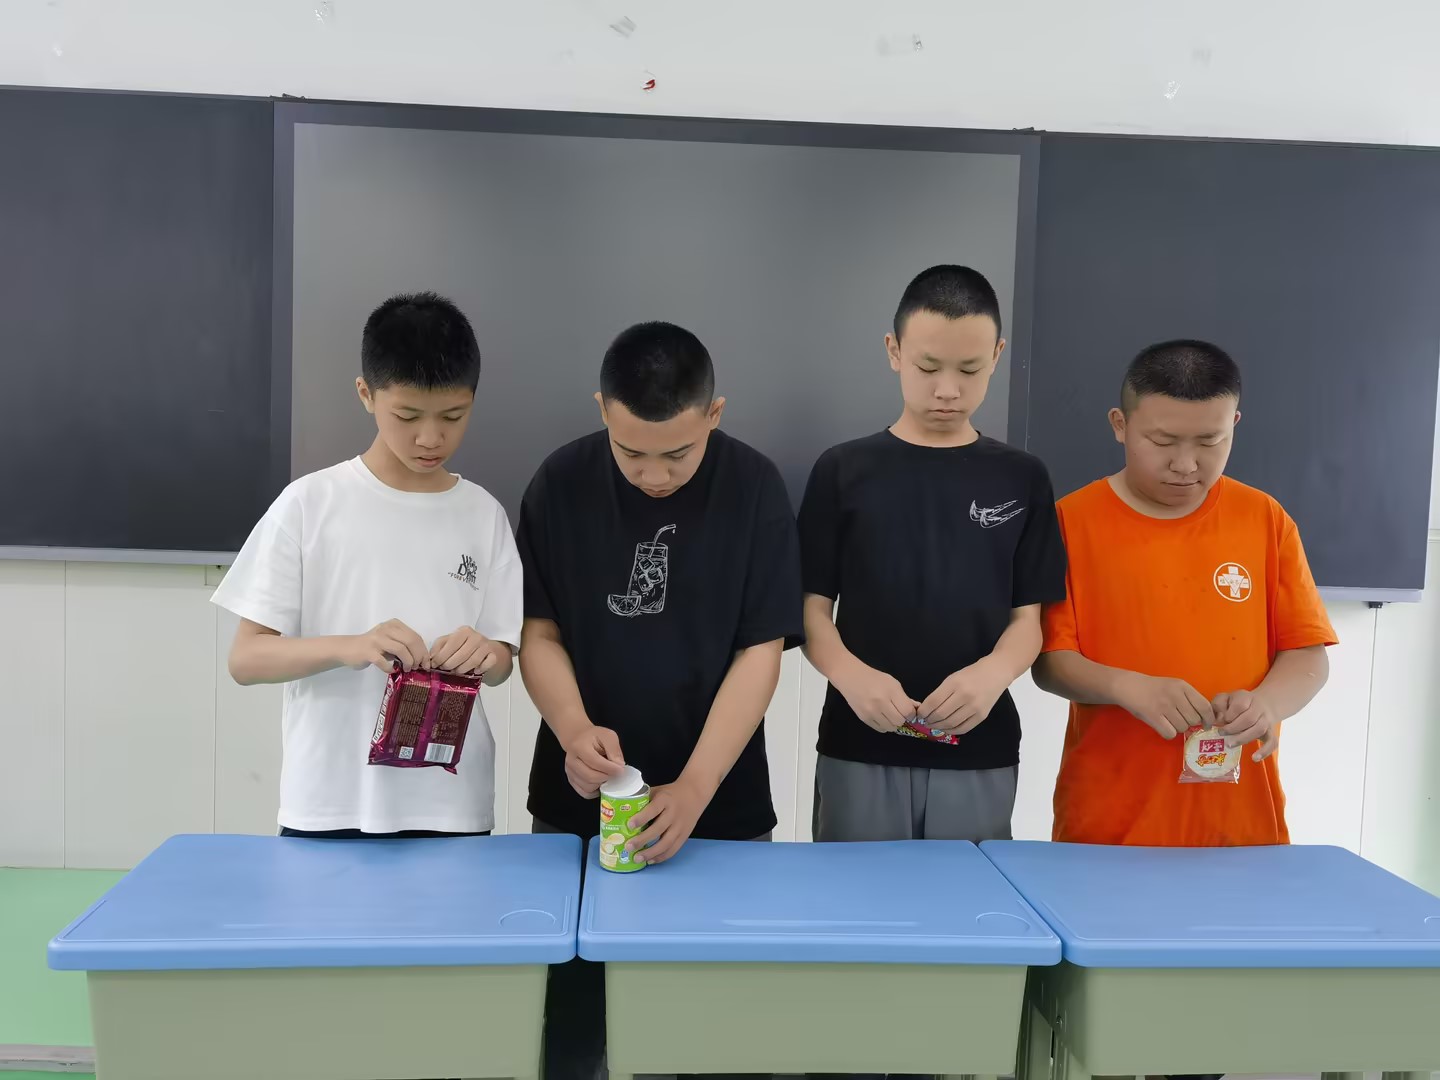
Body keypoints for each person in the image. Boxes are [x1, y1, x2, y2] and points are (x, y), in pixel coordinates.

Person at [517, 320, 802, 1080]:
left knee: (718, 1032)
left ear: (714, 414)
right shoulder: (560, 482)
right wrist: (572, 728)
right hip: (578, 806)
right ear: (602, 410)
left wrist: (697, 786)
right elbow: (538, 632)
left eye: (676, 454)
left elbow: (761, 650)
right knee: (572, 1029)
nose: (652, 476)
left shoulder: (755, 487)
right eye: (630, 452)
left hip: (722, 809)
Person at [213, 291, 521, 839]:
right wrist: (351, 647)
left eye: (453, 416)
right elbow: (246, 659)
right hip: (330, 804)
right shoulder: (309, 504)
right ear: (366, 394)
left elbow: (501, 663)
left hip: (450, 805)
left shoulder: (484, 514)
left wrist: (487, 654)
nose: (431, 438)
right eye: (407, 416)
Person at [799, 265, 1067, 844]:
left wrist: (993, 674)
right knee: (855, 893)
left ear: (996, 356)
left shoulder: (1022, 477)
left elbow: (1029, 620)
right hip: (860, 740)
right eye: (927, 367)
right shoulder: (842, 470)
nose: (948, 389)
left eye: (969, 370)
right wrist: (850, 675)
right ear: (894, 352)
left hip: (979, 745)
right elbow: (810, 609)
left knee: (968, 895)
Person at [1033, 339, 1336, 847]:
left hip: (1239, 823)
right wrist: (1127, 687)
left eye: (1210, 441)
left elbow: (1307, 654)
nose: (1186, 464)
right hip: (1108, 821)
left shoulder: (1264, 519)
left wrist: (1266, 704)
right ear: (1120, 425)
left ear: (1234, 424)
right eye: (1163, 440)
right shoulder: (1070, 522)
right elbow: (1050, 662)